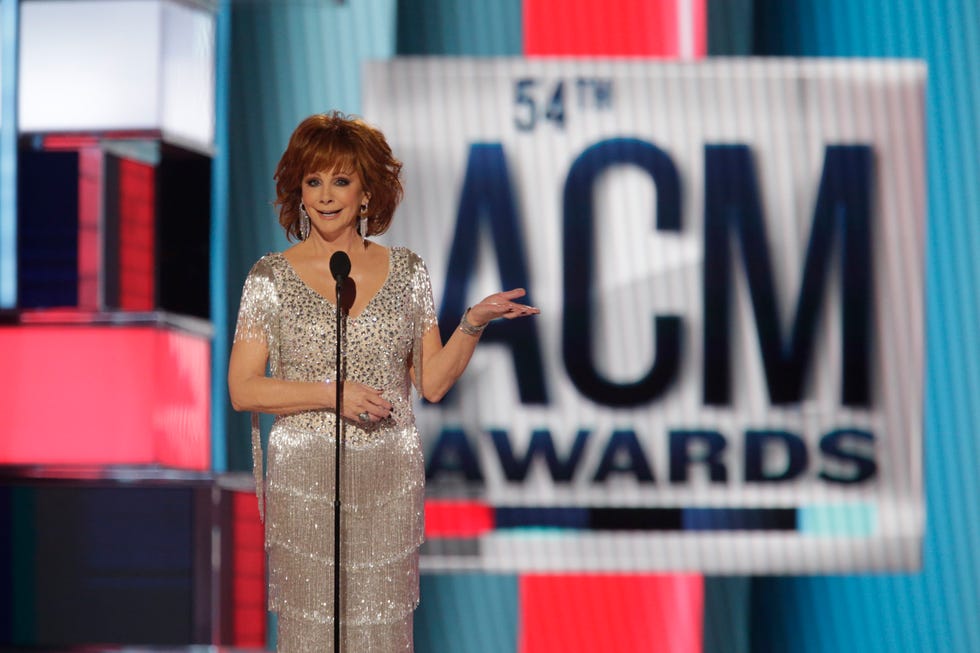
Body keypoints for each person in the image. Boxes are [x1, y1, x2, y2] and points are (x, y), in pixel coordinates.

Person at [227, 112, 539, 652]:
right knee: (313, 632)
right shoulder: (269, 278)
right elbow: (244, 389)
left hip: (387, 480)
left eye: (341, 181)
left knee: (381, 634)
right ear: (298, 193)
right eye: (314, 181)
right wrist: (331, 394)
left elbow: (433, 383)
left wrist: (472, 322)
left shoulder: (408, 272)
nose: (326, 196)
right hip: (307, 480)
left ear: (367, 193)